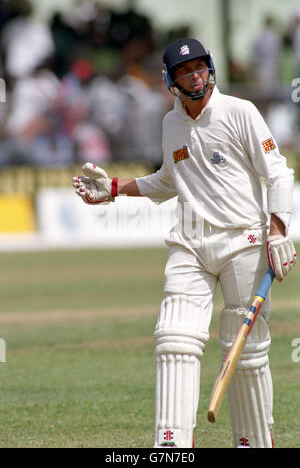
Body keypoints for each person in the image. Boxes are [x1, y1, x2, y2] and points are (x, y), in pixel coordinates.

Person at [72, 38, 297, 448]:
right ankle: (172, 444)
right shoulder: (171, 124)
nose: (195, 75)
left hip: (243, 241)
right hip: (190, 243)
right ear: (170, 80)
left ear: (210, 68)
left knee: (244, 352)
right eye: (184, 70)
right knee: (174, 339)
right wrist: (116, 188)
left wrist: (278, 230)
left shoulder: (240, 111)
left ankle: (252, 442)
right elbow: (168, 181)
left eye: (200, 67)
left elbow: (279, 173)